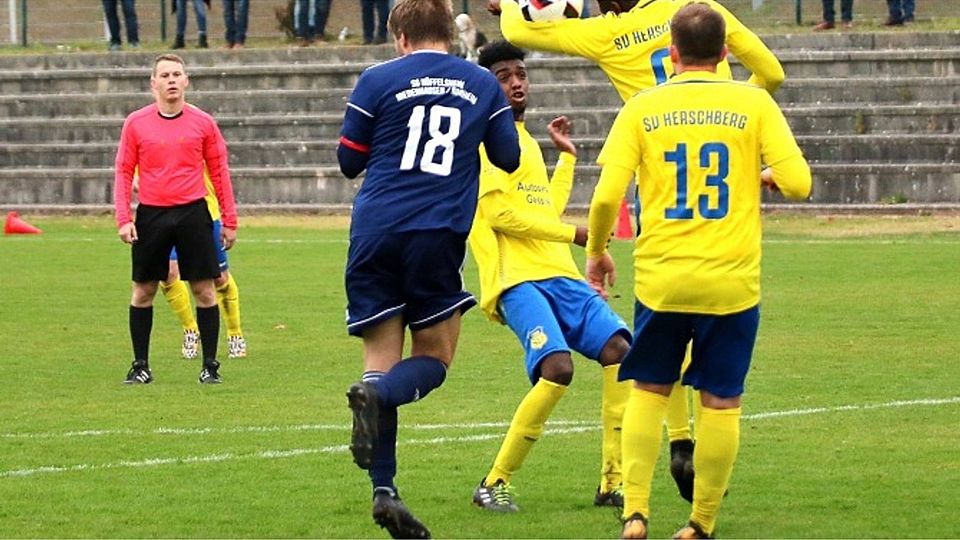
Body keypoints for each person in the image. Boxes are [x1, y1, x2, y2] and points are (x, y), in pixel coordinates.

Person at [488, 0, 785, 504]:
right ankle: (687, 468)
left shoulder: (606, 32)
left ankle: (672, 446)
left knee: (659, 325)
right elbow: (771, 73)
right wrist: (727, 118)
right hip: (719, 184)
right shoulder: (700, 10)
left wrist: (513, 5)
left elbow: (518, 25)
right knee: (714, 321)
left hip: (660, 191)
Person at [583, 3, 811, 537]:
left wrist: (597, 249)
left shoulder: (642, 108)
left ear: (671, 53)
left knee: (649, 388)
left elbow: (604, 198)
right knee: (722, 400)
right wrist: (766, 175)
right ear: (726, 52)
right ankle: (700, 523)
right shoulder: (752, 104)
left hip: (663, 278)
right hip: (731, 282)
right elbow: (800, 183)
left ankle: (635, 511)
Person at [337, 0, 519, 535]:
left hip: (373, 231)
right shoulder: (481, 82)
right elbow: (507, 157)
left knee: (379, 359)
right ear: (449, 31)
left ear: (399, 36)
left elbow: (349, 160)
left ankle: (384, 490)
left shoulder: (376, 79)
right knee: (434, 358)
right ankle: (380, 401)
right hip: (436, 233)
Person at [468, 40, 631, 513]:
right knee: (557, 369)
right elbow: (499, 214)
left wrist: (567, 158)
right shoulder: (483, 142)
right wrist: (577, 234)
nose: (516, 82)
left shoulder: (523, 141)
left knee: (621, 352)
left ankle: (611, 482)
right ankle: (493, 483)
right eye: (503, 76)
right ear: (486, 86)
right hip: (517, 278)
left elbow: (542, 207)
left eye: (520, 73)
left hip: (559, 274)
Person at [114, 53, 239, 385]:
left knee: (204, 289)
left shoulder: (203, 123)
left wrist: (229, 220)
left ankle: (210, 366)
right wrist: (124, 218)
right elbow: (124, 171)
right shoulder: (136, 123)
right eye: (164, 75)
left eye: (177, 74)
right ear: (153, 83)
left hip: (193, 213)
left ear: (186, 81)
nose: (171, 80)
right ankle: (140, 365)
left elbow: (220, 172)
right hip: (151, 215)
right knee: (143, 290)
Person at [159, 170, 247, 360]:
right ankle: (190, 330)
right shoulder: (155, 140)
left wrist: (229, 218)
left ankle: (235, 333)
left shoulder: (202, 139)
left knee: (219, 278)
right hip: (165, 213)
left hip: (205, 213)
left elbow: (219, 173)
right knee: (167, 273)